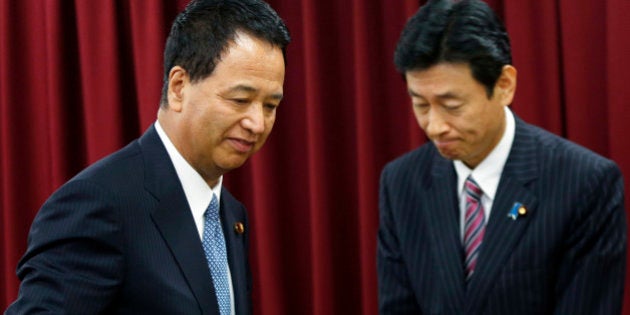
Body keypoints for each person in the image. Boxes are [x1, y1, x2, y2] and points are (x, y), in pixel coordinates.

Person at [5, 0, 289, 314]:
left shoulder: (231, 214)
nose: (257, 123)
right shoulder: (98, 203)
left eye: (270, 106)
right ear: (179, 86)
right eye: (240, 99)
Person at [376, 0, 626, 314]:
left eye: (452, 105)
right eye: (421, 105)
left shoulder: (585, 183)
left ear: (504, 85)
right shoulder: (401, 184)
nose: (435, 126)